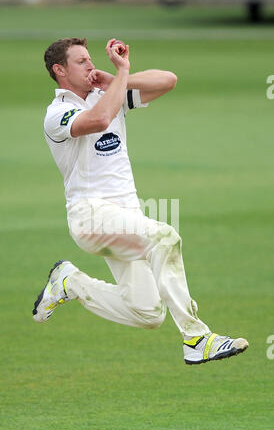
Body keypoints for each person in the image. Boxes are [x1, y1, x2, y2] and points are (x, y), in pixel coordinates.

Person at [33, 37, 249, 365]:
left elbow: (168, 80)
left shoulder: (108, 92)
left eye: (90, 59)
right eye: (81, 62)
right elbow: (99, 120)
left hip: (125, 215)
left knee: (147, 312)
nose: (91, 65)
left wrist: (119, 76)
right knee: (164, 237)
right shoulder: (58, 113)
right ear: (59, 70)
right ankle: (197, 338)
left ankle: (70, 282)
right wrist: (118, 79)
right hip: (90, 216)